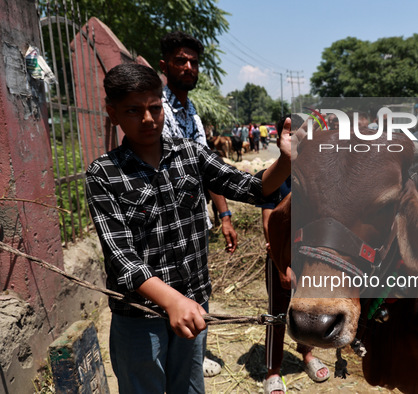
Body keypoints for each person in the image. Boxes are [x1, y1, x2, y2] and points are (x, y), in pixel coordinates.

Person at [86, 63, 291, 394]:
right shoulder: (104, 173)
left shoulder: (191, 154)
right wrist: (170, 301)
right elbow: (121, 257)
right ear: (113, 113)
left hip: (195, 304)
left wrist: (286, 161)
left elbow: (254, 188)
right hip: (139, 314)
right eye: (133, 110)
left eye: (154, 107)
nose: (148, 119)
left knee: (190, 387)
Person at [158, 31, 235, 377]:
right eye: (180, 60)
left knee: (197, 287)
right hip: (164, 224)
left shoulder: (192, 113)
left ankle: (192, 356)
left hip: (195, 222)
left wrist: (225, 214)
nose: (188, 67)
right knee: (166, 293)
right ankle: (168, 361)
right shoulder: (155, 110)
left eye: (193, 62)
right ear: (165, 65)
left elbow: (208, 168)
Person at [259, 115, 329, 394]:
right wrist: (280, 266)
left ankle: (307, 354)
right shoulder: (273, 176)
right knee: (277, 314)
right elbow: (268, 222)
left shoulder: (322, 177)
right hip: (282, 258)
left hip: (310, 260)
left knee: (309, 309)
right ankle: (273, 371)